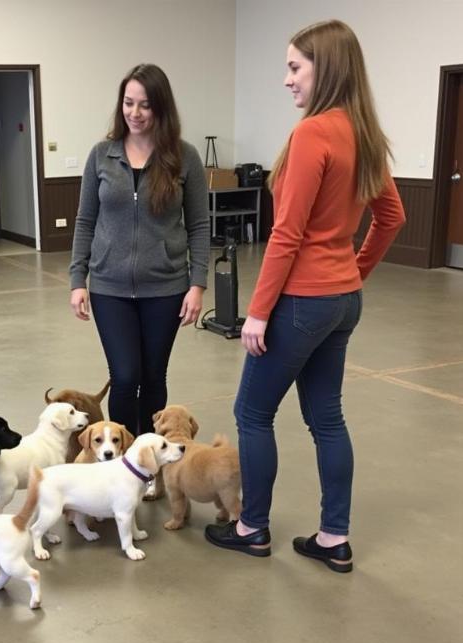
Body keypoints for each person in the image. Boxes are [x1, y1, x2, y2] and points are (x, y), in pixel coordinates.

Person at [204, 20, 405, 572]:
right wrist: (354, 271)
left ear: (327, 69)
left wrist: (259, 312)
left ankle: (251, 528)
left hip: (301, 302)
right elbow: (392, 217)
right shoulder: (363, 134)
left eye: (295, 67)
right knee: (328, 419)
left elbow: (286, 234)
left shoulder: (312, 134)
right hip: (342, 301)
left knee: (251, 411)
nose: (286, 79)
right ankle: (333, 538)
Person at [69, 63, 210, 445]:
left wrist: (197, 284)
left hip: (165, 288)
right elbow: (85, 220)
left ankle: (150, 455)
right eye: (128, 103)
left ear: (161, 108)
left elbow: (199, 224)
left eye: (144, 105)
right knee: (125, 375)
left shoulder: (184, 157)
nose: (135, 112)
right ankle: (125, 454)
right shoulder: (102, 155)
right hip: (109, 288)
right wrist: (77, 280)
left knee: (152, 376)